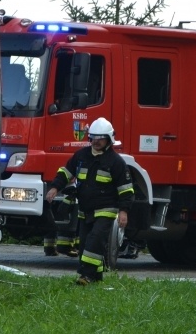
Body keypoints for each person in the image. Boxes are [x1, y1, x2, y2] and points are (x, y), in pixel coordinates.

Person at [45, 117, 133, 284]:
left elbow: (126, 190)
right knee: (85, 244)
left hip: (106, 210)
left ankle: (86, 276)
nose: (96, 141)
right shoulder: (81, 156)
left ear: (109, 139)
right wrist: (55, 187)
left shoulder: (116, 162)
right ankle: (96, 277)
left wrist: (124, 211)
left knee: (94, 241)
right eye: (93, 137)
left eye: (100, 138)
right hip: (85, 211)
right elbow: (66, 173)